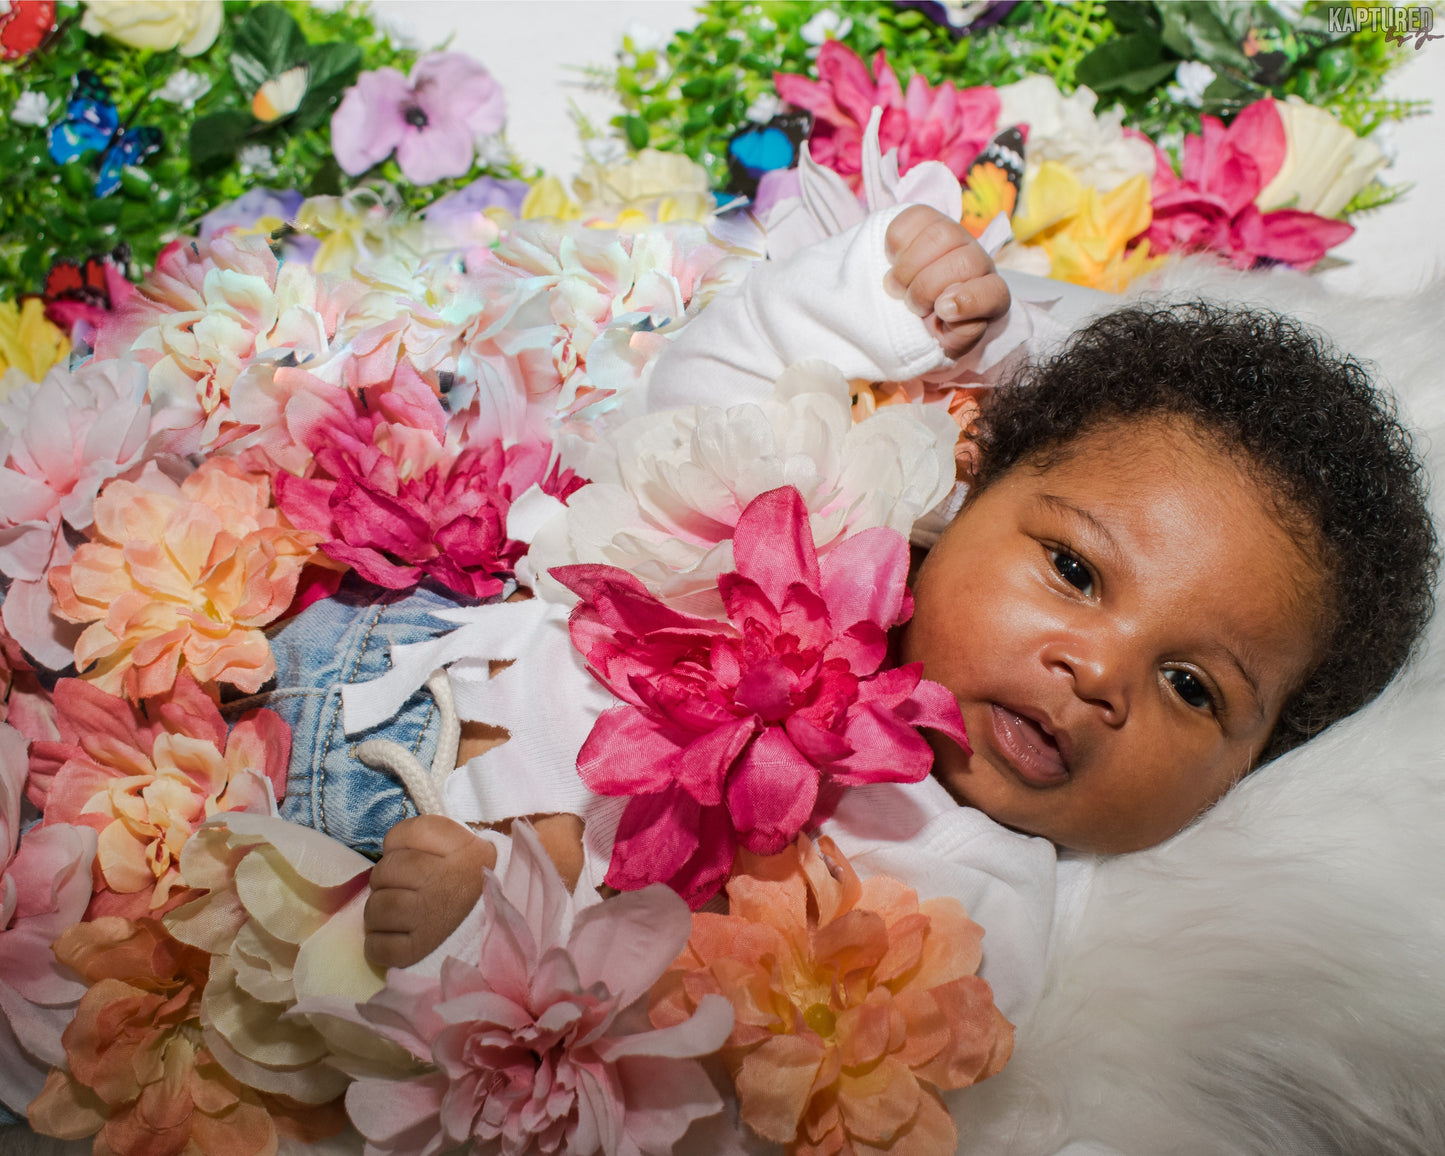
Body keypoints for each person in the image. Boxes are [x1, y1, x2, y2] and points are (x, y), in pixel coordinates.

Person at [357, 204, 1438, 1021]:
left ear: (1245, 772)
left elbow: (698, 1029)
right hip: (386, 631)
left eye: (1191, 686)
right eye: (1071, 569)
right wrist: (895, 296)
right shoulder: (831, 528)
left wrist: (480, 937)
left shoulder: (974, 913)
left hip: (344, 860)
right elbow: (707, 395)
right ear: (968, 481)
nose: (1100, 671)